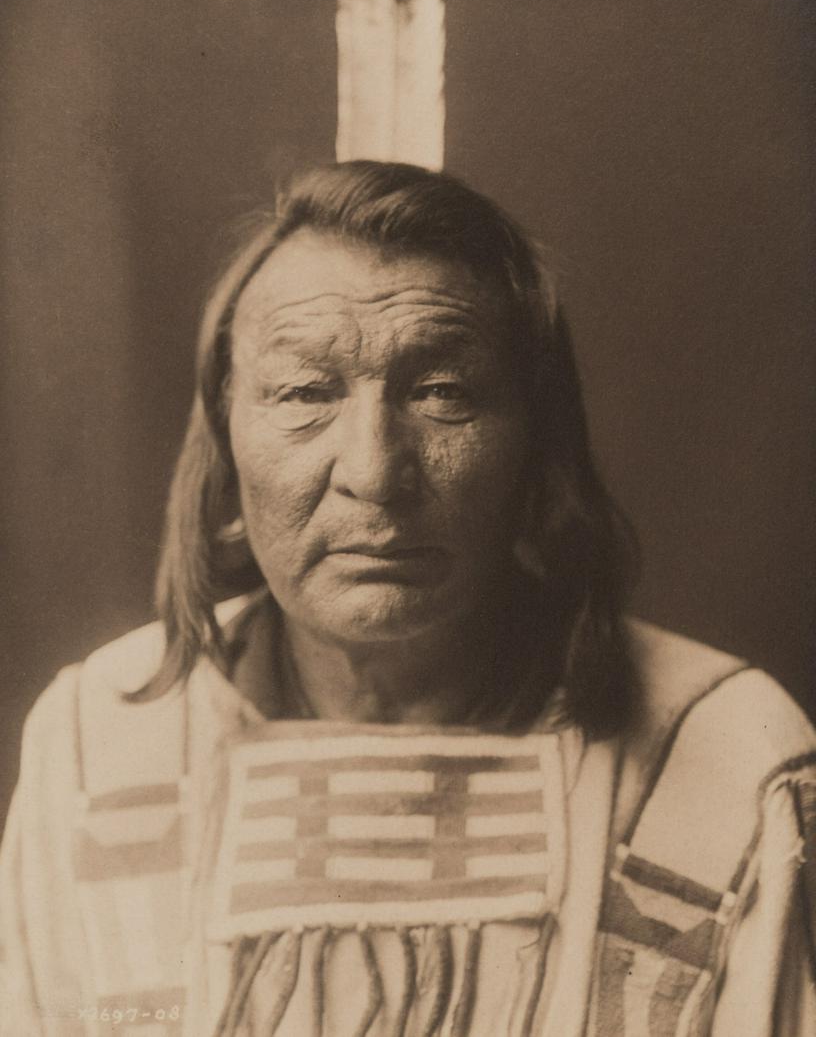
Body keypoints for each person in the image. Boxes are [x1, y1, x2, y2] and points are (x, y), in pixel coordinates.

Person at [1, 161, 814, 1037]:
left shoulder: (726, 754)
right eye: (306, 394)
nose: (374, 473)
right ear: (227, 447)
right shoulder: (100, 741)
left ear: (539, 448)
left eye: (443, 394)